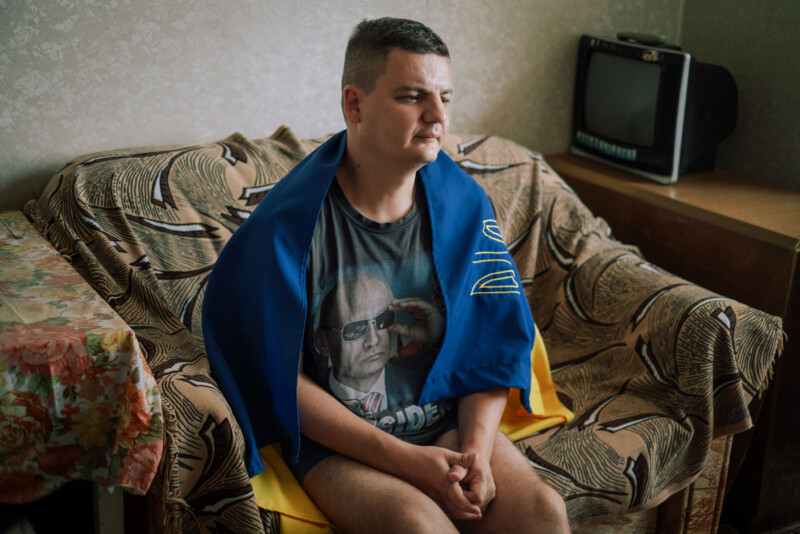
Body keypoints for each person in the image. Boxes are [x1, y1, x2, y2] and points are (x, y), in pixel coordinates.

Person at [203, 16, 571, 533]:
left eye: (445, 96)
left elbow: (487, 349)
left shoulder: (466, 208)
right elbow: (279, 379)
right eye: (412, 96)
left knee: (544, 514)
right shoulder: (286, 230)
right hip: (342, 446)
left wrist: (477, 454)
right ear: (354, 104)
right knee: (418, 526)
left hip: (445, 428)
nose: (437, 116)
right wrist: (406, 461)